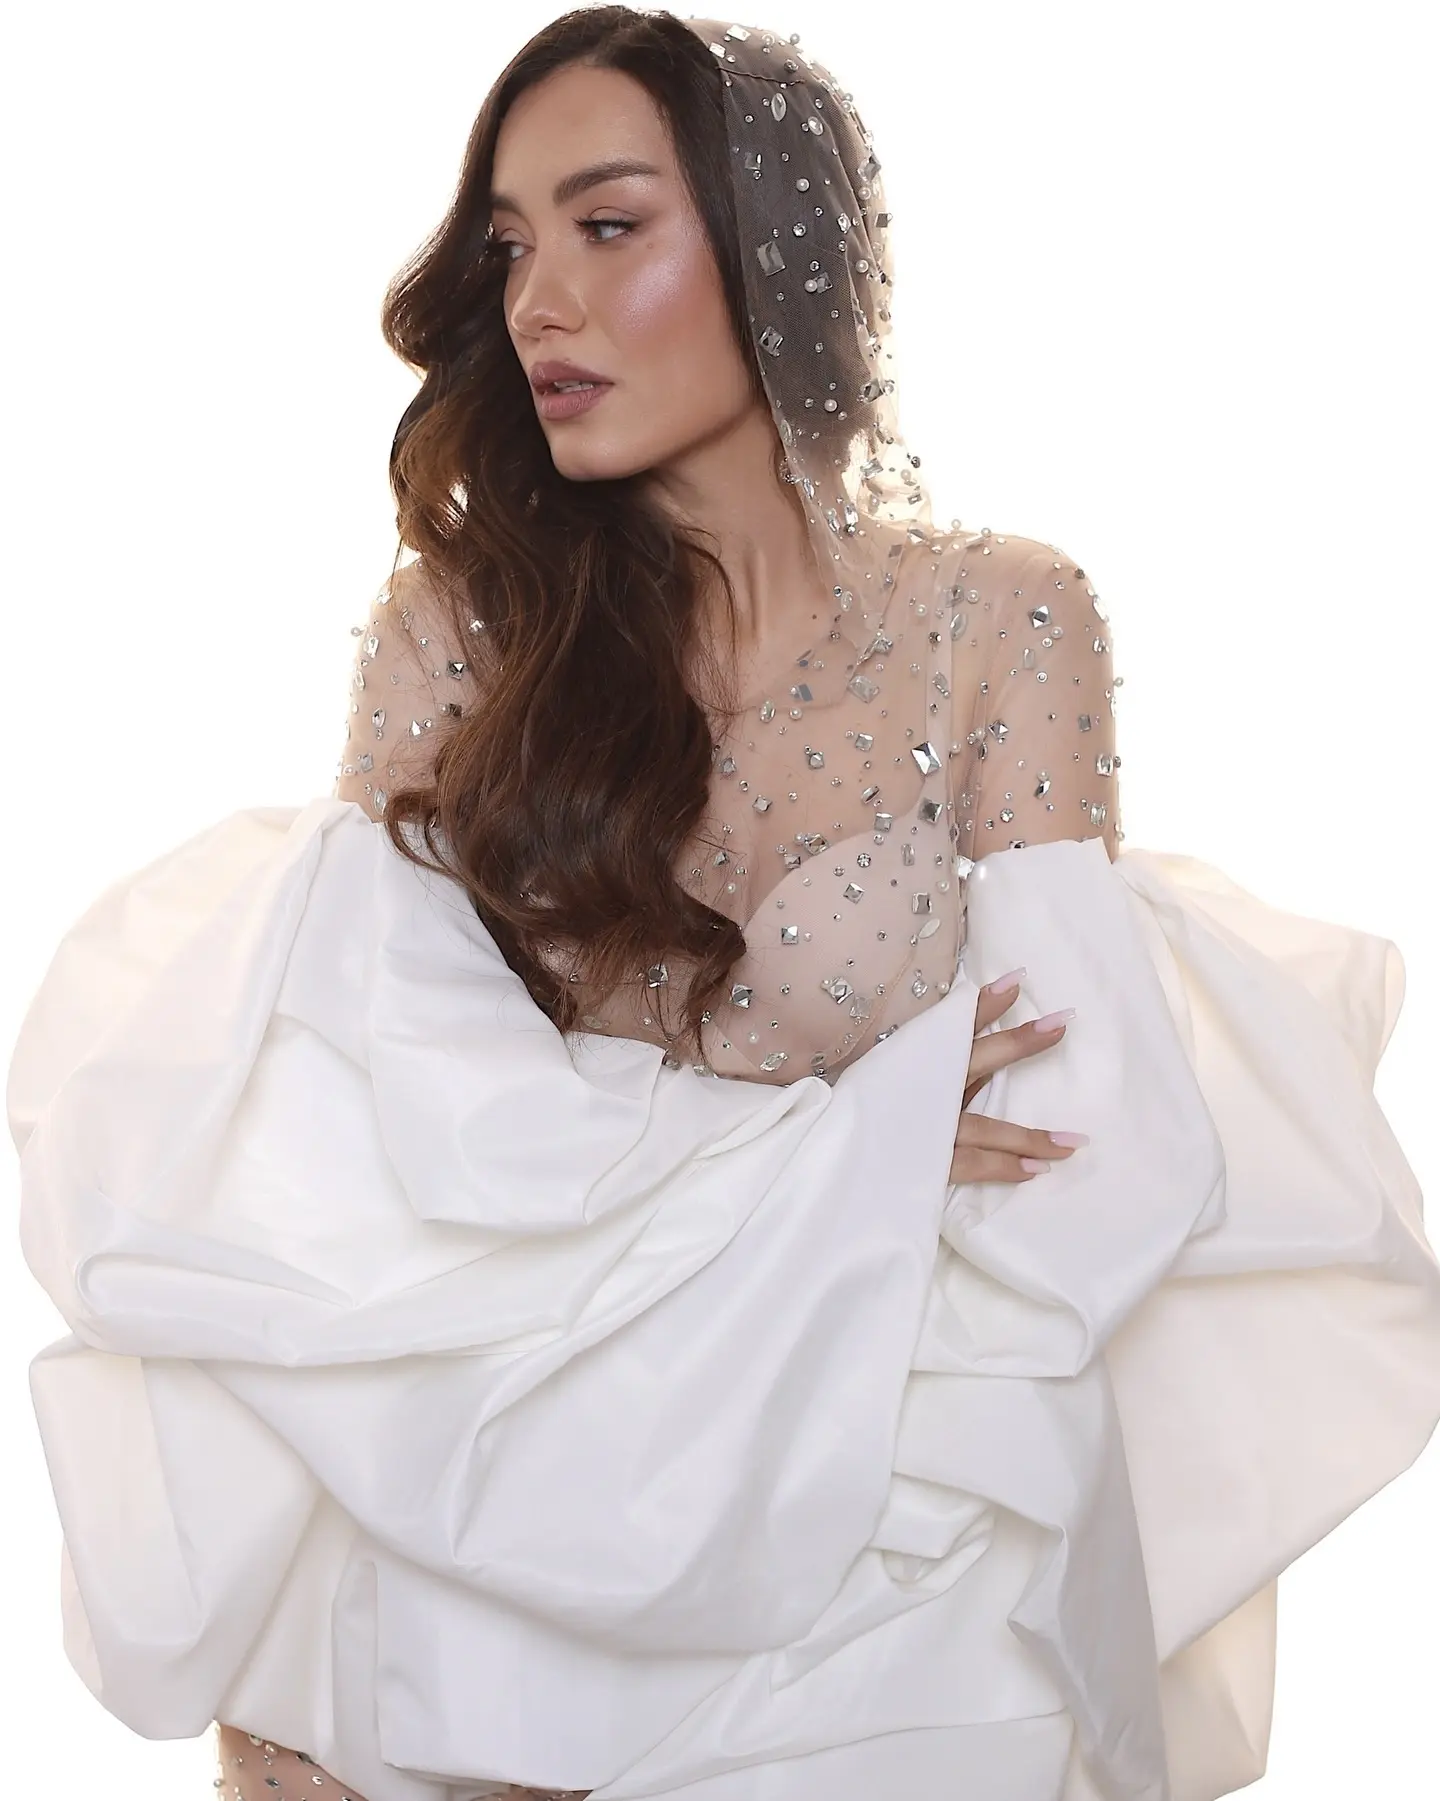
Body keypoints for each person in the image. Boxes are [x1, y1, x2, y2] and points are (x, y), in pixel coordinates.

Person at [9, 11, 1440, 1801]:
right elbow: (376, 1140)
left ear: (783, 252)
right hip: (467, 1540)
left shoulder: (1003, 621)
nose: (540, 303)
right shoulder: (459, 639)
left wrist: (732, 1195)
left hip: (889, 1557)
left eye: (607, 226)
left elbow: (1081, 1156)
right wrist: (863, 1150)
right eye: (510, 248)